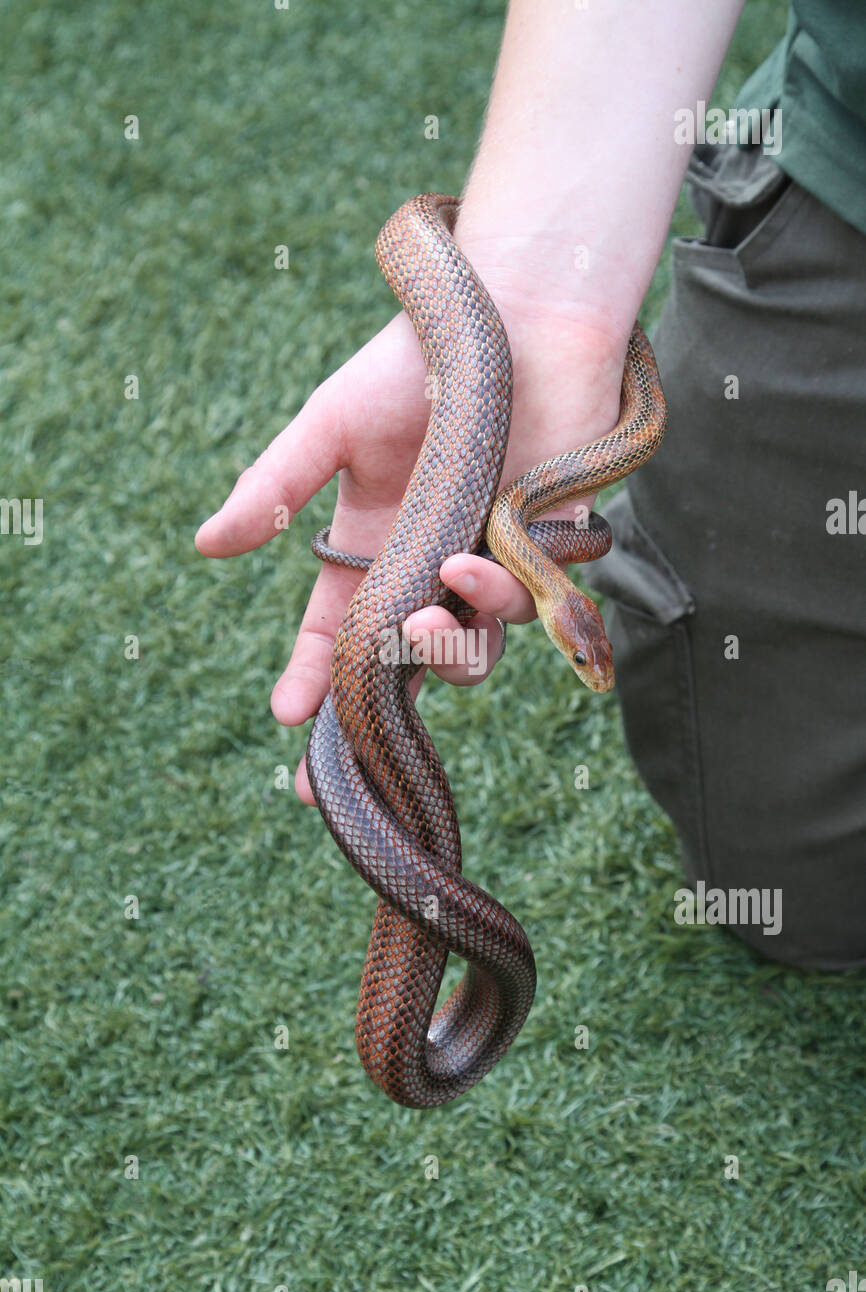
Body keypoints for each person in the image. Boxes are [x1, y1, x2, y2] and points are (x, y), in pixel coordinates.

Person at [197, 1, 866, 970]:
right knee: (789, 898)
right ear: (568, 623)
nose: (585, 668)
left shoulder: (544, 522)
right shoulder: (547, 509)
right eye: (584, 659)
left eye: (585, 659)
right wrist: (534, 300)